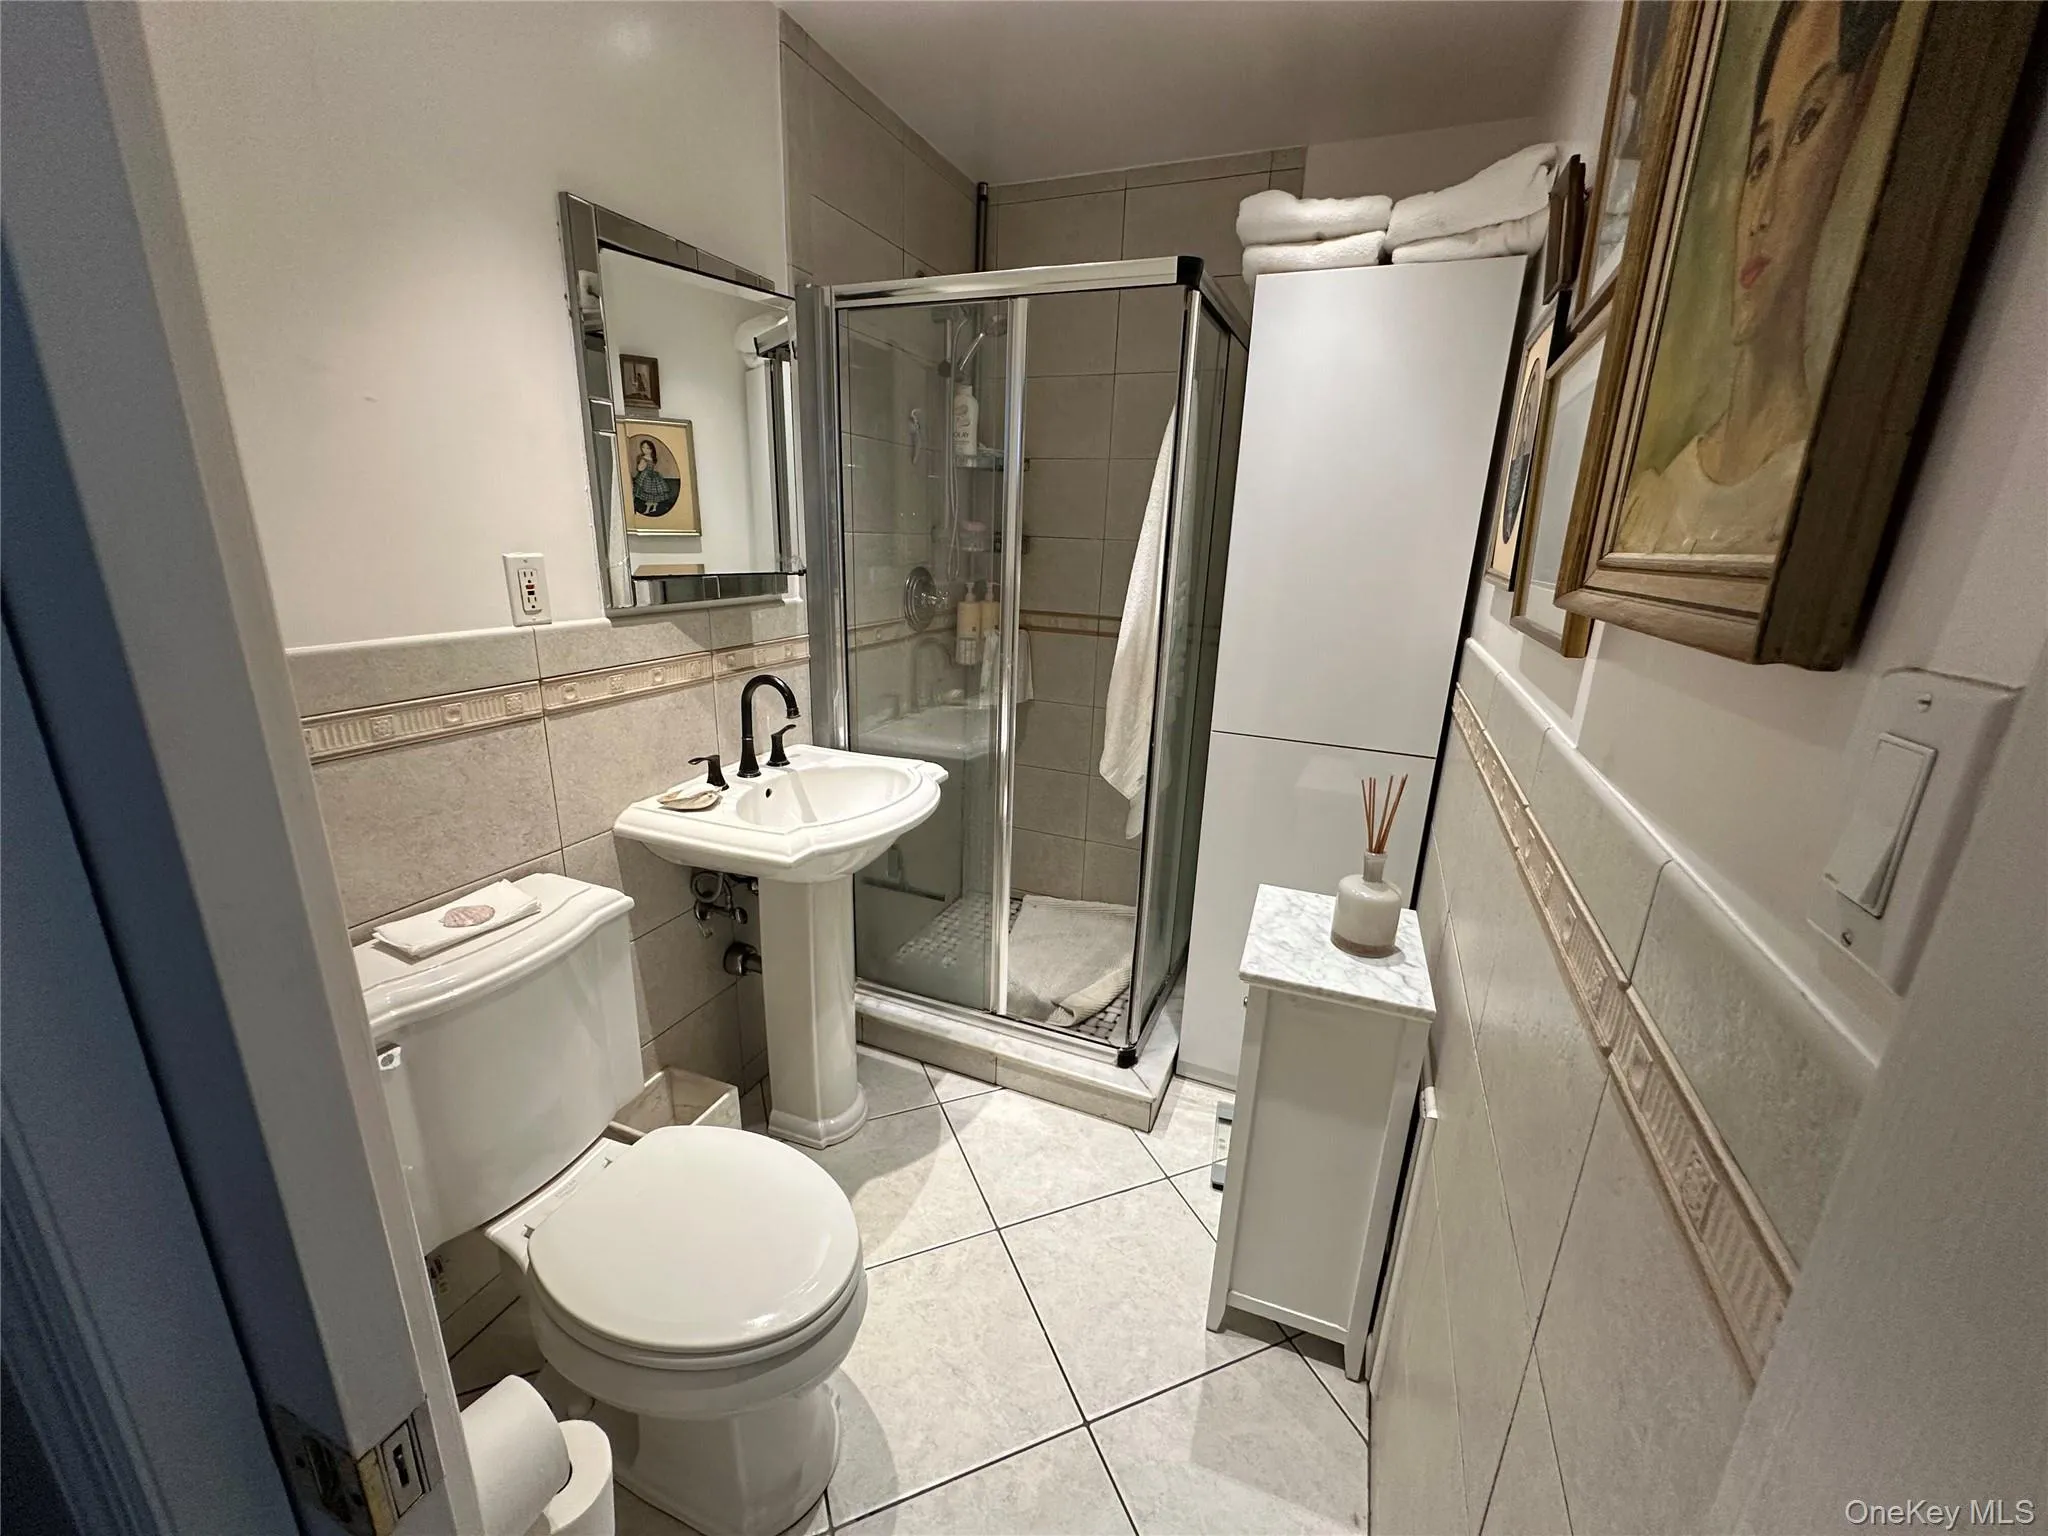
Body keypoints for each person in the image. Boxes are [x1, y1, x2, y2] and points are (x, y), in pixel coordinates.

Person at [1618, 0, 1897, 556]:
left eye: (1808, 126)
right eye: (1761, 156)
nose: (1762, 211)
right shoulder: (1652, 499)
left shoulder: (1809, 499)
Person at [630, 436, 673, 518]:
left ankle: (652, 508)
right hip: (646, 477)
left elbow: (640, 468)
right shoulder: (644, 458)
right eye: (643, 447)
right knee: (649, 494)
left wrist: (641, 464)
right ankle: (650, 508)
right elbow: (640, 468)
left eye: (647, 448)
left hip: (650, 477)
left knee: (652, 494)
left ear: (651, 449)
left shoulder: (647, 458)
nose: (644, 450)